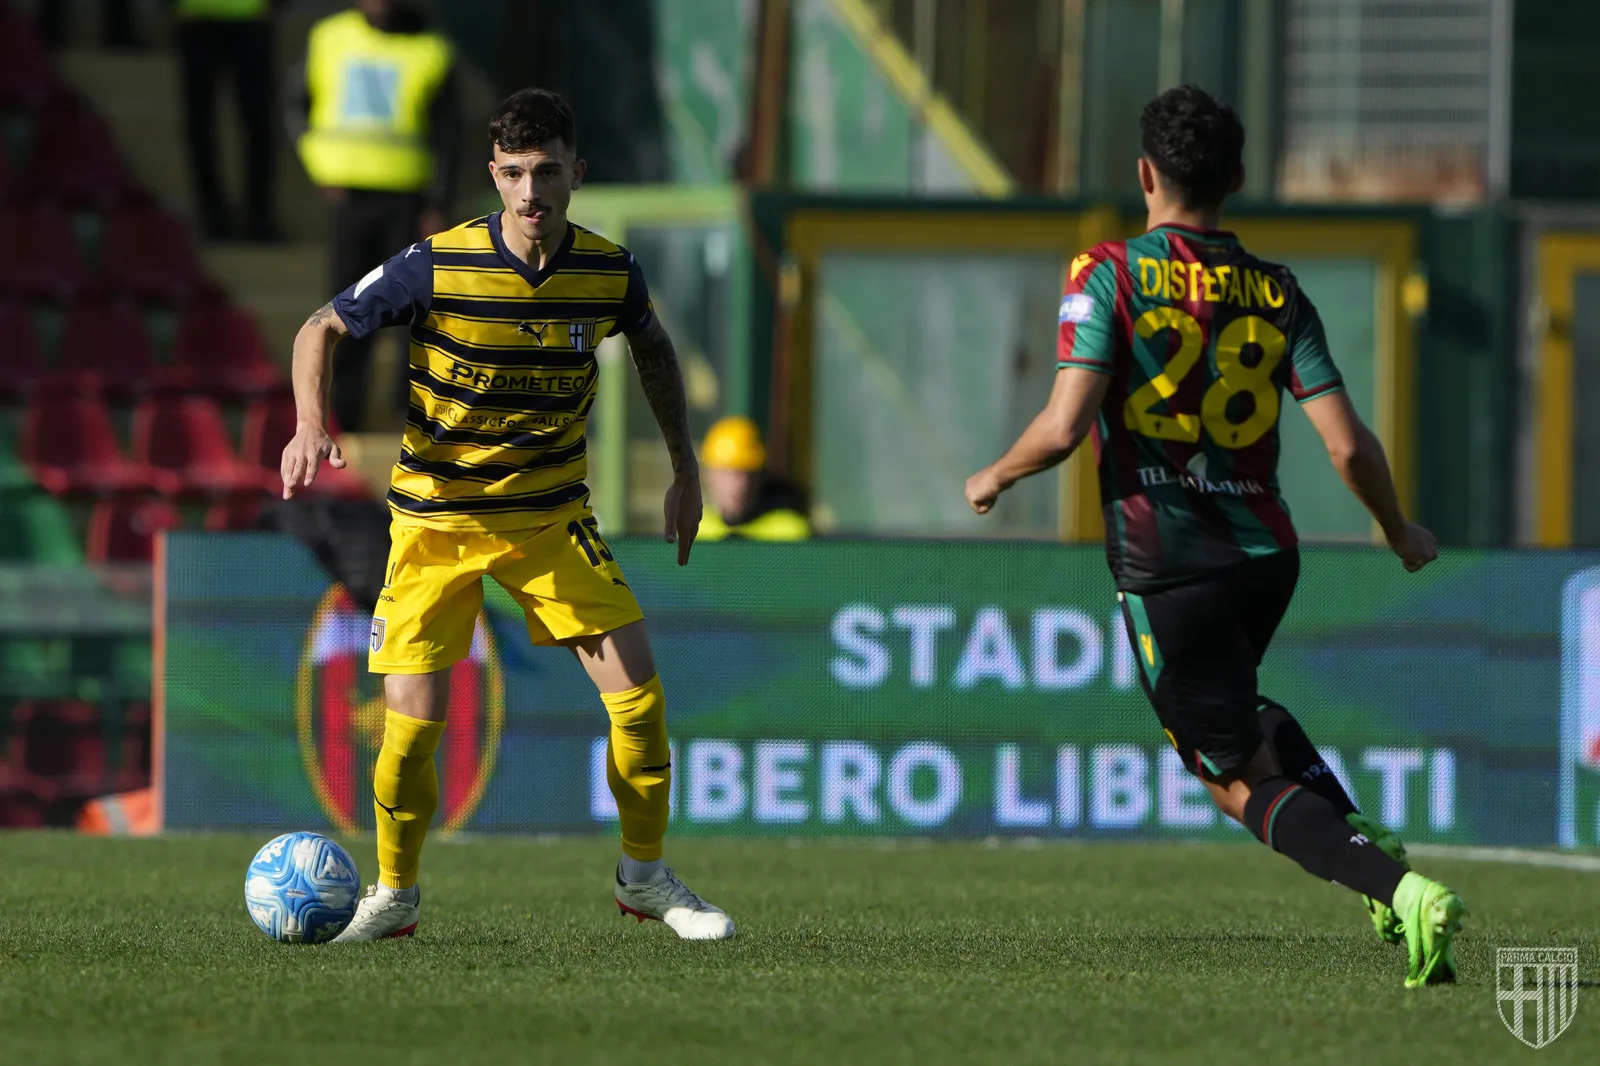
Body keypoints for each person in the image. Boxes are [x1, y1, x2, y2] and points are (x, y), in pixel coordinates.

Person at [965, 86, 1465, 989]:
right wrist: (1399, 530)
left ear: (1144, 174)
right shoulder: (1278, 291)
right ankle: (1357, 833)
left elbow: (1065, 426)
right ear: (1236, 178)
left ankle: (1397, 887)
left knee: (1231, 780)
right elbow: (1347, 444)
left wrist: (995, 474)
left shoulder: (1108, 272)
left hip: (1168, 561)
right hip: (1266, 556)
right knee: (1240, 713)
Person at [279, 87, 733, 943]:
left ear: (575, 174)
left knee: (640, 705)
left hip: (550, 522)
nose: (532, 192)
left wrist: (684, 467)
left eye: (547, 172)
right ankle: (394, 895)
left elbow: (655, 349)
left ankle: (643, 878)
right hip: (434, 523)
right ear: (494, 175)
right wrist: (310, 422)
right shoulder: (436, 265)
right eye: (516, 173)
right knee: (411, 732)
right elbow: (319, 327)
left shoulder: (609, 272)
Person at [285, 0, 459, 431]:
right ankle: (346, 414)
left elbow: (449, 133)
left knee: (414, 309)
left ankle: (408, 412)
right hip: (350, 197)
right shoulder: (329, 36)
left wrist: (437, 203)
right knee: (347, 309)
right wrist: (318, 165)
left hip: (408, 197)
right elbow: (294, 105)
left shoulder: (433, 48)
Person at [174, 0, 282, 242]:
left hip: (245, 17)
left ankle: (254, 217)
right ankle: (220, 218)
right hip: (202, 18)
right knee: (204, 126)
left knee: (256, 124)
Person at [697, 416, 811, 541]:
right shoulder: (694, 530)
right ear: (708, 474)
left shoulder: (789, 533)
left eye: (749, 473)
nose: (741, 484)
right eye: (729, 473)